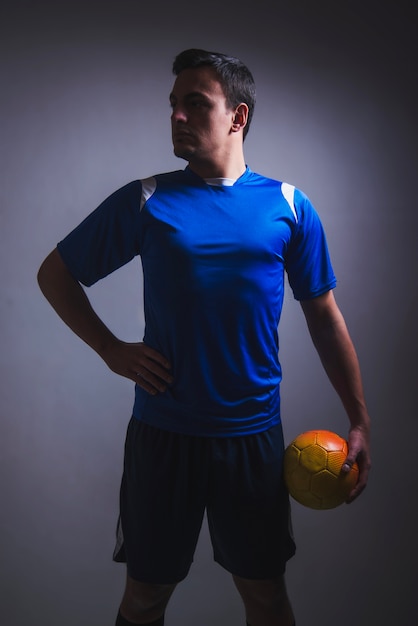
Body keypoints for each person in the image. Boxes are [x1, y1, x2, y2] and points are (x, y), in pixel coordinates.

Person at [37, 48, 371, 626]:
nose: (177, 116)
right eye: (173, 105)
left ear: (237, 117)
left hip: (252, 438)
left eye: (195, 104)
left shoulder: (290, 205)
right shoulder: (147, 198)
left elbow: (324, 318)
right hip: (164, 433)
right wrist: (110, 349)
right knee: (144, 598)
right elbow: (55, 274)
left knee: (265, 596)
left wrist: (359, 419)